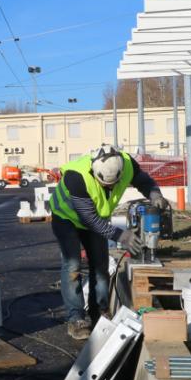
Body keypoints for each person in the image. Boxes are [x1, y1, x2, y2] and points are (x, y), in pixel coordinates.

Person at [49, 145, 168, 339]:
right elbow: (89, 218)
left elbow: (144, 181)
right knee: (72, 266)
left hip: (97, 219)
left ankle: (100, 313)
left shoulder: (127, 164)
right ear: (95, 172)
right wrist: (122, 236)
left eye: (113, 184)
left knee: (101, 268)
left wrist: (155, 194)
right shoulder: (76, 176)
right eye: (105, 185)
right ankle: (76, 319)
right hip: (66, 218)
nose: (110, 188)